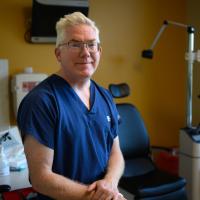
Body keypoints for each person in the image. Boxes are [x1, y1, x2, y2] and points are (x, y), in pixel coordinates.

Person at [17, 12, 125, 200]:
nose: (86, 53)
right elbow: (40, 177)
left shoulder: (105, 97)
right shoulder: (42, 102)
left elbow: (116, 154)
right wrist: (100, 198)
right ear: (59, 53)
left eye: (91, 44)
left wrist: (109, 184)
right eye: (75, 44)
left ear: (99, 51)